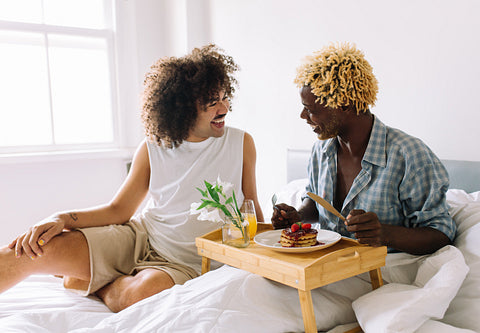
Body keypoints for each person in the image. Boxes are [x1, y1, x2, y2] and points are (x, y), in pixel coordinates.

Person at [0, 44, 263, 312]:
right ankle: (89, 272)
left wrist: (271, 244)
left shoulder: (241, 143)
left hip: (186, 263)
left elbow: (251, 208)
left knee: (140, 294)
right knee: (33, 250)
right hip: (138, 238)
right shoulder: (153, 147)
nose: (224, 108)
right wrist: (61, 218)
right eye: (212, 103)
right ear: (182, 108)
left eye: (224, 98)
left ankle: (92, 281)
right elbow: (119, 210)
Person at [272, 42, 455, 255]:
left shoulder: (408, 154)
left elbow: (441, 233)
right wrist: (299, 216)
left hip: (386, 269)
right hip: (326, 264)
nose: (303, 117)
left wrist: (385, 234)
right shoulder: (320, 151)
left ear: (344, 104)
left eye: (310, 110)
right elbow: (315, 201)